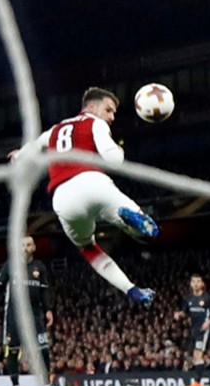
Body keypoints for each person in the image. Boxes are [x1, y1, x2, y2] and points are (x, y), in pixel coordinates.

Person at [11, 87, 157, 306]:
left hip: (62, 198)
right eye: (108, 110)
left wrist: (18, 155)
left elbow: (32, 148)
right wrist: (119, 149)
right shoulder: (95, 123)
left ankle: (132, 290)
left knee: (89, 249)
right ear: (90, 107)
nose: (111, 117)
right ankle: (131, 219)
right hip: (93, 183)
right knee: (150, 231)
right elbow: (114, 161)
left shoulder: (54, 130)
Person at [0, 235, 67, 386]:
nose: (25, 248)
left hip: (35, 315)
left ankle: (47, 385)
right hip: (14, 315)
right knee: (13, 350)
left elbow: (45, 291)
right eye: (22, 245)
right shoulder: (10, 265)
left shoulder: (39, 267)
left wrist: (48, 310)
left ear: (34, 247)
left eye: (28, 245)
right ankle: (15, 385)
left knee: (43, 350)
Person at [174, 274, 210, 386]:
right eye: (193, 281)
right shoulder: (188, 299)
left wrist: (208, 322)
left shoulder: (207, 298)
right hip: (193, 331)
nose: (196, 284)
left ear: (202, 284)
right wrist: (179, 315)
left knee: (197, 357)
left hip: (204, 331)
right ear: (190, 284)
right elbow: (185, 313)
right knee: (203, 359)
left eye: (198, 281)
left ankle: (197, 383)